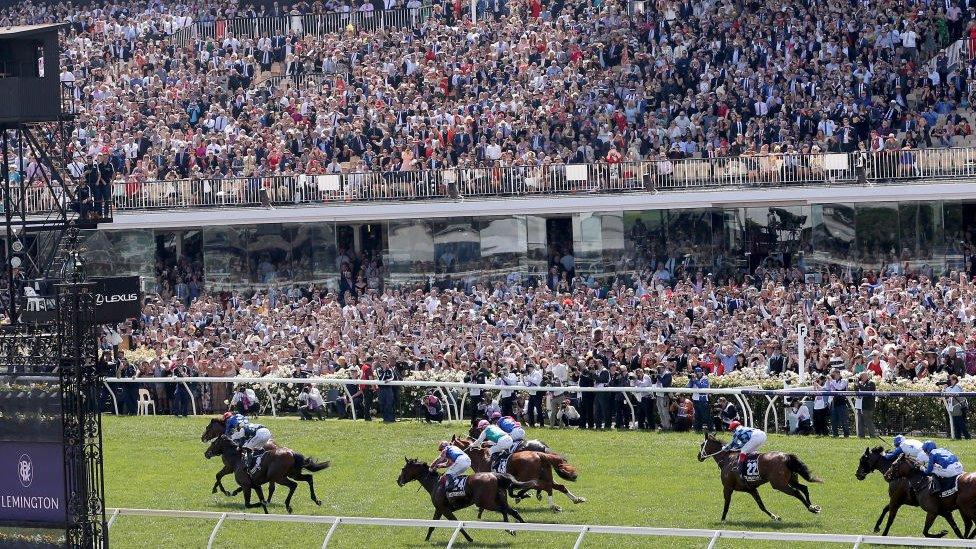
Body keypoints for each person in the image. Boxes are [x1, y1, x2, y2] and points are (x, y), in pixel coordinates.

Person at [944, 374, 971, 439]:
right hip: (953, 406)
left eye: (951, 380)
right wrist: (945, 388)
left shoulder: (958, 386)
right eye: (950, 380)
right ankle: (958, 437)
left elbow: (952, 393)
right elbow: (946, 394)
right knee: (956, 423)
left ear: (955, 380)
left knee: (960, 422)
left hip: (958, 406)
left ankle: (967, 436)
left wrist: (946, 388)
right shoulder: (950, 387)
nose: (950, 381)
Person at [826, 369, 850, 437]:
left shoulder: (844, 381)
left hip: (842, 402)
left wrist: (831, 380)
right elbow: (827, 388)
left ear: (838, 374)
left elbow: (839, 387)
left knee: (843, 420)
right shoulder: (832, 381)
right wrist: (828, 381)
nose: (833, 376)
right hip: (834, 402)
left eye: (834, 374)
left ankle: (846, 434)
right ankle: (835, 434)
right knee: (833, 420)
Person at [854, 371, 877, 438]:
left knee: (868, 421)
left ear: (866, 376)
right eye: (860, 377)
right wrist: (856, 384)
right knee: (860, 421)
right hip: (859, 405)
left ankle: (872, 436)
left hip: (867, 406)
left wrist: (859, 385)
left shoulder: (871, 383)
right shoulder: (860, 384)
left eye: (862, 376)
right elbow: (856, 391)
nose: (861, 378)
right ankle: (861, 436)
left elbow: (867, 391)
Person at [688, 367, 711, 432]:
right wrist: (691, 380)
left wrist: (695, 380)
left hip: (703, 400)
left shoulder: (705, 378)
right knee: (697, 415)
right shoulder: (694, 378)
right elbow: (688, 386)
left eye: (698, 372)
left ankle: (711, 429)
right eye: (695, 372)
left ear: (701, 372)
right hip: (695, 399)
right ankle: (697, 429)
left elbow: (702, 389)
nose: (696, 374)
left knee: (706, 415)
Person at [377, 358, 397, 423]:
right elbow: (380, 378)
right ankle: (385, 418)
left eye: (384, 363)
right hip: (381, 389)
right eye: (382, 363)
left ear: (386, 363)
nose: (383, 364)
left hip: (388, 389)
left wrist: (389, 380)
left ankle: (391, 419)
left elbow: (392, 377)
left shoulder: (390, 370)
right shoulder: (378, 370)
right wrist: (384, 371)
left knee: (389, 404)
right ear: (380, 364)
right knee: (382, 404)